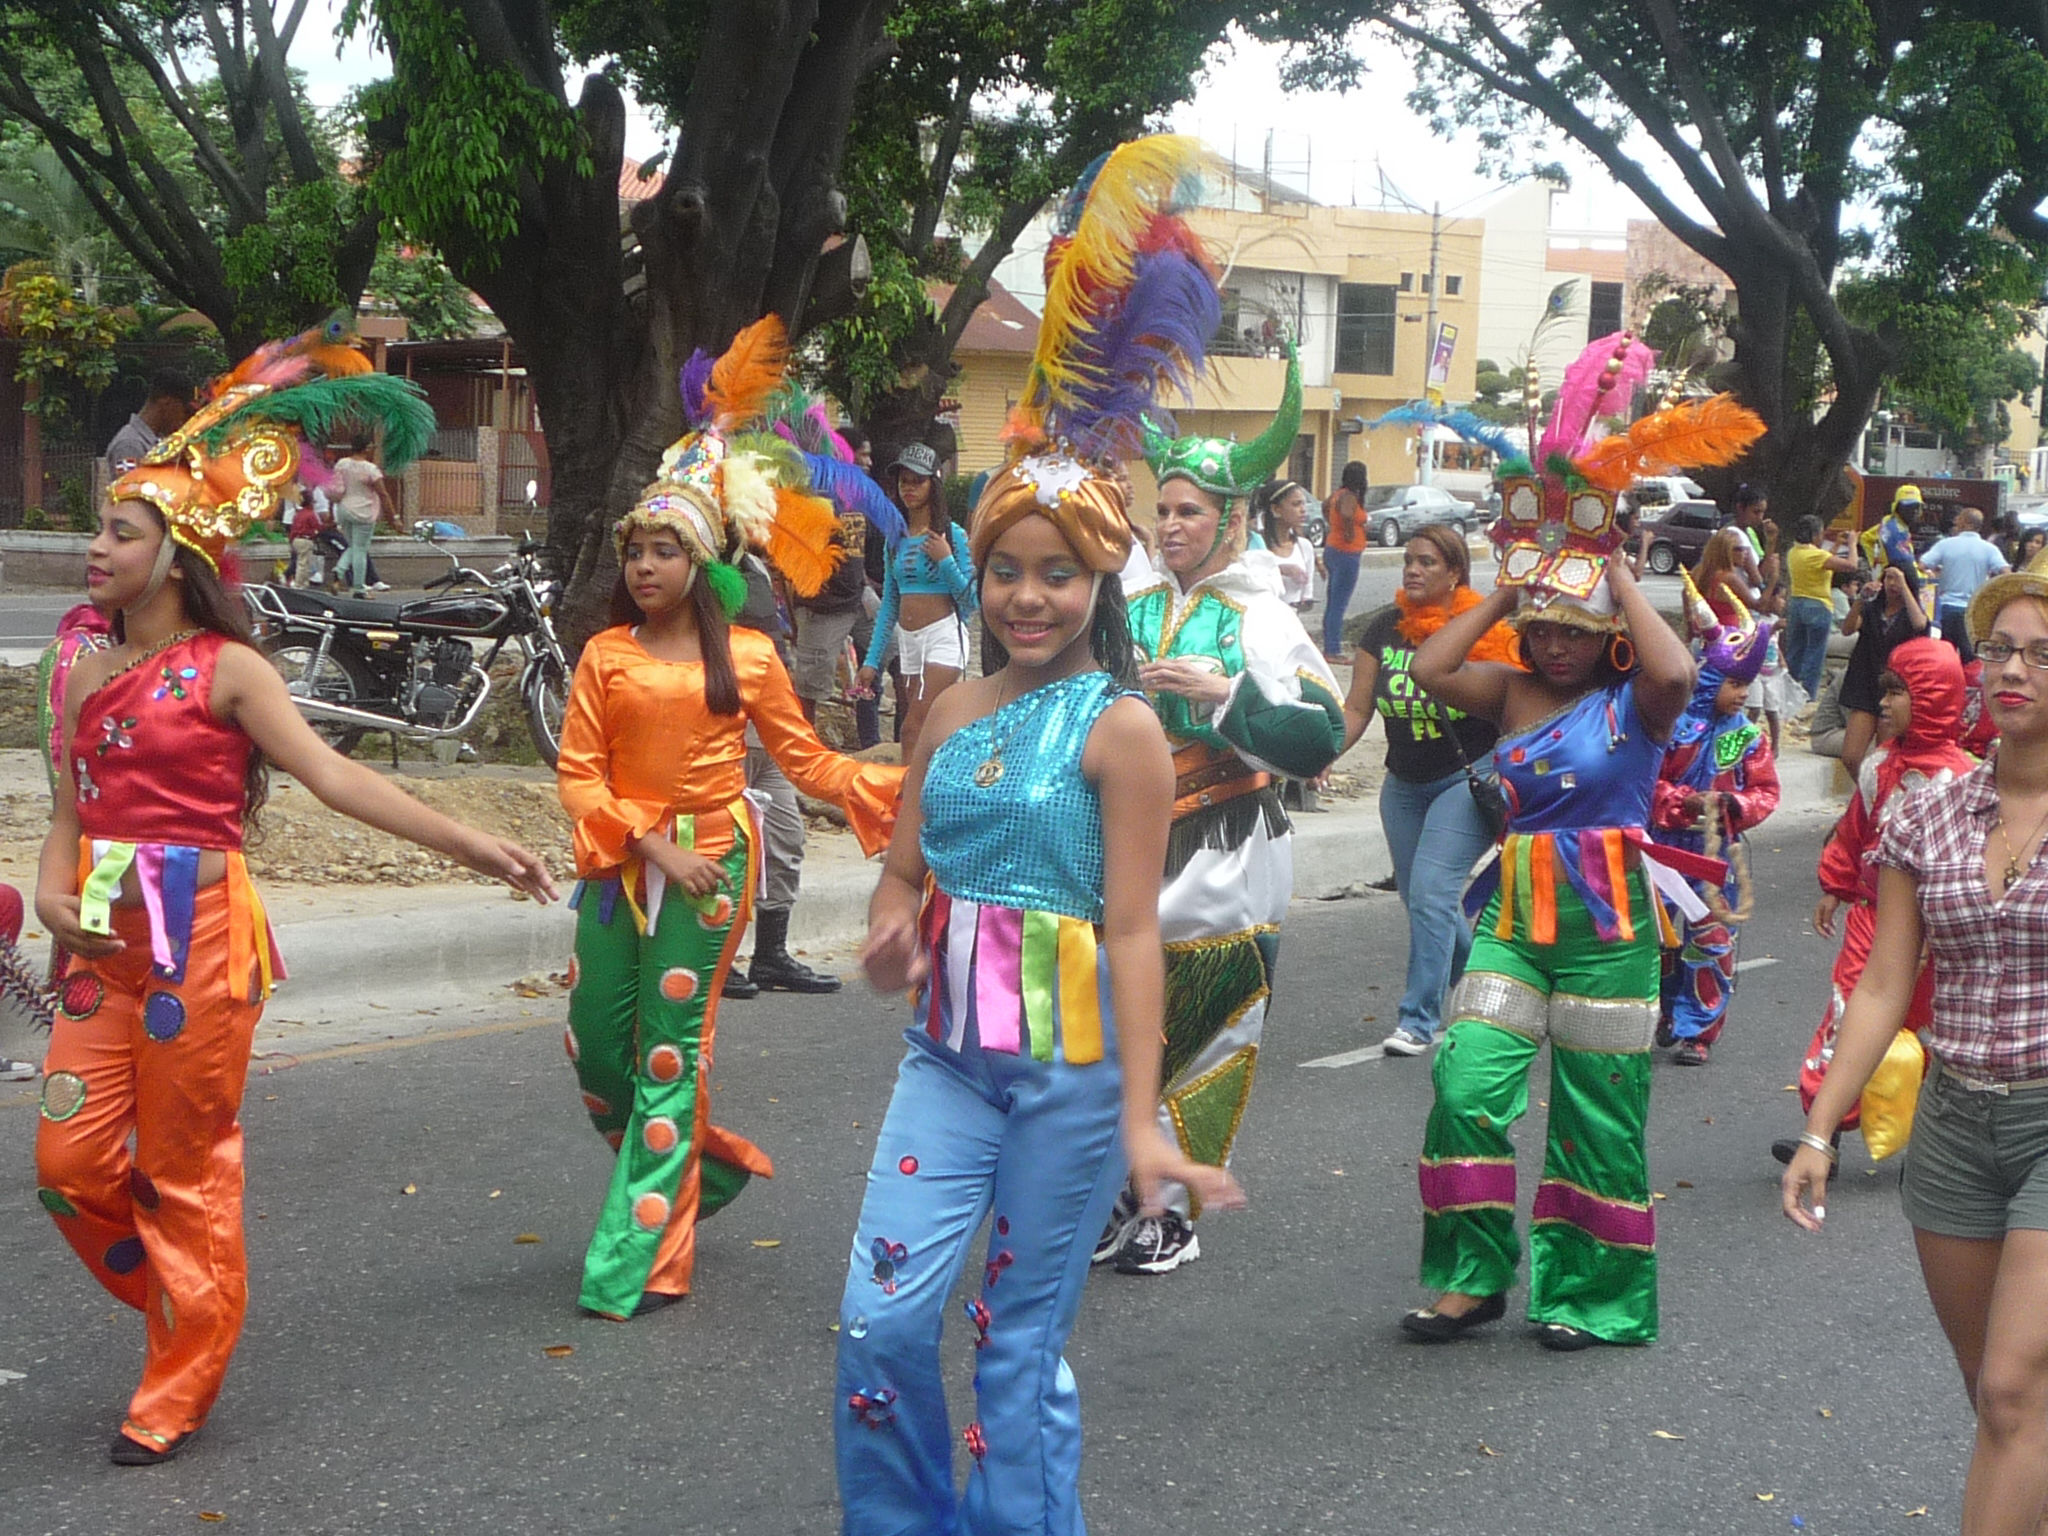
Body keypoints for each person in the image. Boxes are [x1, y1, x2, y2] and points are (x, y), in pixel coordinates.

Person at [35, 338, 557, 1465]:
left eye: (121, 532)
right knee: (67, 1169)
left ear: (175, 560)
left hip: (201, 947)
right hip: (98, 950)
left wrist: (481, 844)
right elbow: (70, 812)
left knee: (183, 1169)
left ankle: (178, 1372)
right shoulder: (72, 665)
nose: (95, 546)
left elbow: (340, 777)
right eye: (99, 526)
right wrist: (45, 891)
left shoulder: (229, 671)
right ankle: (196, 1303)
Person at [834, 134, 1243, 1535]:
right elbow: (900, 875)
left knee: (1013, 1357)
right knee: (882, 1329)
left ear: (1094, 584)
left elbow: (1135, 929)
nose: (1024, 596)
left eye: (1054, 575)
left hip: (1069, 1083)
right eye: (1005, 571)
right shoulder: (942, 709)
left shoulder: (1123, 730)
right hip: (943, 1062)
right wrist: (891, 934)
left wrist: (1142, 1122)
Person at [1401, 336, 1760, 1350]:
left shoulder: (1635, 703)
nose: (1551, 642)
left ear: (1604, 636)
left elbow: (1681, 678)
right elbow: (1430, 667)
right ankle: (1469, 1277)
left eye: (1571, 628)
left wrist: (1608, 568)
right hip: (1513, 920)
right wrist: (1511, 589)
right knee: (1463, 1083)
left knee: (1596, 1121)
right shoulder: (1510, 689)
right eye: (1541, 628)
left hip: (1608, 927)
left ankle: (1586, 1298)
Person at [556, 317, 904, 1323]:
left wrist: (906, 783)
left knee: (670, 1053)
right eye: (635, 551)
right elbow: (579, 777)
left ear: (701, 562)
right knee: (595, 1051)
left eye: (665, 550)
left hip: (712, 863)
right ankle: (699, 1167)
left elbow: (806, 762)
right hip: (627, 861)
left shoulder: (745, 659)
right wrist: (646, 838)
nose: (644, 567)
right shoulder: (603, 658)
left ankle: (638, 1259)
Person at [1781, 547, 2048, 1536]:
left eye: (2039, 655)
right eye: (1999, 652)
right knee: (1993, 1393)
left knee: (2016, 1397)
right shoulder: (1924, 809)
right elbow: (1884, 982)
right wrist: (1818, 1129)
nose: (2013, 671)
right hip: (1951, 1131)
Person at [1106, 345, 1346, 1276]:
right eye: (1161, 509)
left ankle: (1180, 1207)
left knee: (1208, 1026)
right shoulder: (1125, 603)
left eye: (1187, 512)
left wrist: (1222, 693)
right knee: (1120, 1026)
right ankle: (1131, 1194)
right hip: (1126, 851)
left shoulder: (1262, 616)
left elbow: (1322, 737)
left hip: (1224, 855)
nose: (1168, 526)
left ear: (1231, 519)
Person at [1772, 638, 1973, 1166]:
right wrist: (1836, 885)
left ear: (1932, 698)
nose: (1883, 705)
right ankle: (1826, 1131)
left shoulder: (1962, 780)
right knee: (1846, 1009)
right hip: (1873, 916)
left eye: (1899, 692)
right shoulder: (1880, 764)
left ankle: (1933, 1140)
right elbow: (1856, 829)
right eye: (1884, 691)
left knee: (1928, 1029)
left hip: (1937, 927)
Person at [1340, 524, 1519, 1057]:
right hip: (1403, 784)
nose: (1413, 571)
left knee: (1433, 893)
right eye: (1408, 562)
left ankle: (1419, 1020)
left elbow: (1513, 708)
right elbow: (1356, 709)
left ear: (1455, 573)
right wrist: (1320, 755)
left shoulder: (1478, 630)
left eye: (1427, 562)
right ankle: (1488, 981)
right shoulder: (1382, 630)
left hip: (1464, 778)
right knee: (1420, 900)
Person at [1650, 581, 1782, 1066]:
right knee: (1660, 937)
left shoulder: (1748, 738)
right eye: (1734, 683)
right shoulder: (1669, 727)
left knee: (1711, 941)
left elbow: (1765, 791)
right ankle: (1665, 1011)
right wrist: (1682, 803)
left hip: (1716, 854)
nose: (1742, 693)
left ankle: (1698, 1030)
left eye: (1747, 685)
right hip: (1664, 849)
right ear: (1706, 677)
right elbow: (1646, 781)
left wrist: (1732, 805)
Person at [859, 443, 974, 756]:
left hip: (944, 638)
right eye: (903, 480)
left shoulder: (952, 535)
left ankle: (905, 800)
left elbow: (970, 601)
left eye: (917, 480)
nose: (908, 487)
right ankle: (924, 792)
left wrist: (946, 561)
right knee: (928, 726)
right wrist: (871, 662)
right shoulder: (895, 539)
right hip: (909, 642)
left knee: (913, 725)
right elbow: (889, 607)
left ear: (932, 484)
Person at [1838, 563, 1931, 780]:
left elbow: (1920, 625)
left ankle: (1878, 802)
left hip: (1894, 686)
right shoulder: (1872, 610)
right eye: (1888, 578)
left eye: (1897, 579)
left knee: (1884, 755)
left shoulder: (1911, 614)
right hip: (1865, 681)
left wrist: (1905, 588)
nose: (1892, 584)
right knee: (1851, 756)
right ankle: (1865, 796)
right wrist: (1861, 599)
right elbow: (1848, 629)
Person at [1783, 516, 1858, 703]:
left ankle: (1788, 691)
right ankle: (1808, 694)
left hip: (1797, 603)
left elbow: (1824, 563)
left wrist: (1835, 546)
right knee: (1815, 653)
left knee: (1795, 650)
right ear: (1815, 534)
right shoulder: (1816, 555)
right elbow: (1852, 565)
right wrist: (1852, 544)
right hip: (1818, 605)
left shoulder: (1794, 552)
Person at [1922, 506, 2010, 661]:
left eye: (1958, 519)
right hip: (1973, 609)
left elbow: (1922, 565)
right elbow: (2006, 574)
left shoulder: (1945, 545)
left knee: (1946, 655)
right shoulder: (1990, 549)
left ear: (1964, 523)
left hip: (1946, 608)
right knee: (1970, 656)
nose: (1955, 522)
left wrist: (1938, 571)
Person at [329, 437, 395, 598]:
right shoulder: (370, 469)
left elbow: (336, 486)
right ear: (366, 448)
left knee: (353, 546)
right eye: (371, 446)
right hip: (363, 512)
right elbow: (383, 494)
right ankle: (358, 588)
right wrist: (393, 517)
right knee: (360, 550)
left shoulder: (342, 464)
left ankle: (340, 569)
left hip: (344, 508)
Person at [1321, 460, 1370, 659]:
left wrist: (1335, 526)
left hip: (1333, 548)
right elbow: (1347, 513)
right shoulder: (1350, 496)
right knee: (1339, 603)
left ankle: (1330, 646)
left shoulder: (1337, 494)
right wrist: (1348, 531)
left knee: (1333, 601)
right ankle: (1333, 650)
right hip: (1346, 552)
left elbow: (1325, 508)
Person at [104, 373, 190, 475]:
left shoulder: (156, 442)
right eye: (184, 411)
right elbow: (130, 487)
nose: (183, 419)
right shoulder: (129, 445)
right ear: (167, 402)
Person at [1261, 478, 1323, 611]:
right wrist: (1280, 570)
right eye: (1296, 504)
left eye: (1304, 504)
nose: (1303, 510)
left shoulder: (1304, 547)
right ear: (1276, 509)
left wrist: (1305, 602)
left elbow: (1307, 595)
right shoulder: (1257, 544)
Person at [1859, 482, 1929, 589]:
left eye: (1917, 507)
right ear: (1897, 507)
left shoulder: (1889, 521)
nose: (1914, 511)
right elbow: (1906, 565)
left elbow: (1866, 538)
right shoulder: (1897, 531)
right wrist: (1924, 576)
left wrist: (1876, 561)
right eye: (1909, 507)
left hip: (1888, 576)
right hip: (1897, 583)